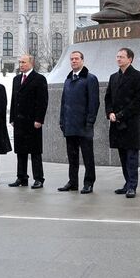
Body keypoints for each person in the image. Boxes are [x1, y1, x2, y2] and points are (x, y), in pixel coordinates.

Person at [105, 47, 140, 198]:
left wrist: (121, 115)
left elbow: (138, 101)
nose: (118, 59)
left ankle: (132, 186)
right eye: (117, 56)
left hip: (130, 123)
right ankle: (127, 183)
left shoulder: (139, 77)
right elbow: (108, 97)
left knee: (131, 156)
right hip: (116, 123)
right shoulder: (113, 77)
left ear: (130, 59)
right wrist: (109, 112)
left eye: (122, 57)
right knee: (122, 155)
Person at [58, 50, 100, 194]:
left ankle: (89, 182)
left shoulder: (90, 78)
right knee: (72, 156)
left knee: (88, 156)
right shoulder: (68, 80)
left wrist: (90, 122)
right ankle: (73, 182)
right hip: (70, 126)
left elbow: (94, 103)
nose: (74, 61)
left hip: (84, 126)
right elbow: (64, 102)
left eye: (76, 59)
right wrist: (62, 121)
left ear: (82, 60)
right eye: (72, 59)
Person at [8, 54, 48, 188]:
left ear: (31, 63)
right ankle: (22, 177)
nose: (21, 65)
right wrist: (12, 117)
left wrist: (39, 119)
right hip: (19, 121)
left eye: (24, 62)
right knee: (20, 151)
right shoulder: (16, 79)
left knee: (35, 151)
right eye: (20, 62)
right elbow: (14, 99)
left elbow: (42, 101)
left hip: (32, 121)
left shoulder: (39, 79)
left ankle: (38, 178)